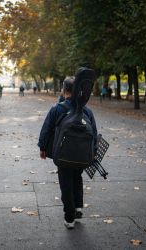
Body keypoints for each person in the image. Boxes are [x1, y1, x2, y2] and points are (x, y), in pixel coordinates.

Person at [38, 76, 98, 229]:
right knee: (77, 177)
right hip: (82, 156)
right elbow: (94, 133)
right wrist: (94, 152)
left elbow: (46, 130)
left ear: (64, 90)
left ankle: (69, 217)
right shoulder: (87, 110)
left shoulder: (57, 109)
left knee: (66, 184)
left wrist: (43, 147)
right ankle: (78, 207)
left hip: (63, 154)